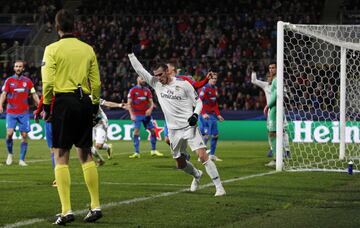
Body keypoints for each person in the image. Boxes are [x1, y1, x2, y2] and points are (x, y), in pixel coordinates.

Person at [128, 53, 226, 196]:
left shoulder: (183, 84)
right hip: (173, 130)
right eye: (156, 75)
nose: (158, 78)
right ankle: (196, 175)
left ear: (167, 71)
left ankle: (219, 187)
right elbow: (140, 69)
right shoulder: (156, 83)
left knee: (203, 155)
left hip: (189, 126)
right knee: (180, 164)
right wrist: (131, 55)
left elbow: (198, 102)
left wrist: (195, 115)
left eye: (160, 74)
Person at [41, 9, 102, 225]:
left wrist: (47, 106)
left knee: (61, 154)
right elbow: (96, 83)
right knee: (85, 154)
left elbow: (48, 83)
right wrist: (94, 106)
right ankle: (95, 206)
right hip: (85, 101)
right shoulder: (88, 49)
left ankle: (66, 211)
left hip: (64, 102)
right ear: (74, 26)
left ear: (57, 27)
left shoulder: (52, 49)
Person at [0, 60, 39, 166]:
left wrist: (39, 106)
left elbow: (34, 94)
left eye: (20, 66)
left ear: (23, 68)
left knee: (24, 135)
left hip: (24, 113)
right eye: (16, 66)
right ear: (14, 68)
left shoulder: (28, 81)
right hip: (11, 112)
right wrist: (0, 104)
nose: (18, 68)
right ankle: (10, 154)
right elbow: (3, 94)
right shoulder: (9, 81)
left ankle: (22, 159)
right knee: (9, 134)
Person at [261, 63, 290, 166]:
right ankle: (281, 156)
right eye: (270, 68)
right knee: (278, 132)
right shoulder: (277, 79)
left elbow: (276, 94)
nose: (271, 70)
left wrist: (268, 105)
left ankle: (277, 159)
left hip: (275, 109)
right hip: (278, 108)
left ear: (277, 69)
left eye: (273, 68)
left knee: (273, 134)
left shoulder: (277, 79)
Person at [127, 76, 163, 158]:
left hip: (147, 115)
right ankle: (136, 152)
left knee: (153, 131)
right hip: (137, 114)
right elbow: (129, 103)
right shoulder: (133, 90)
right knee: (136, 131)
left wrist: (150, 109)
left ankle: (153, 150)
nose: (144, 80)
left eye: (144, 79)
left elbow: (151, 102)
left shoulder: (147, 90)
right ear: (137, 79)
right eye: (142, 79)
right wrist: (131, 114)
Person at [91, 98, 126, 165]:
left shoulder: (92, 97)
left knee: (98, 146)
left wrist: (119, 105)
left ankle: (108, 147)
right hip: (90, 124)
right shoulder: (76, 102)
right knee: (87, 145)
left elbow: (107, 103)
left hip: (101, 123)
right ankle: (100, 160)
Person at [199, 73, 224, 161]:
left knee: (214, 135)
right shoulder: (205, 88)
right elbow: (199, 101)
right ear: (209, 78)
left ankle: (211, 155)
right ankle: (202, 156)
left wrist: (218, 114)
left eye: (216, 78)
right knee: (206, 136)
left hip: (212, 115)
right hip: (205, 115)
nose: (214, 80)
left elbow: (214, 104)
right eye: (213, 78)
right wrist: (203, 113)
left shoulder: (214, 89)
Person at [34, 95, 57, 187]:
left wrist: (37, 113)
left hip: (50, 121)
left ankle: (58, 178)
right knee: (62, 151)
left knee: (54, 150)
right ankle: (61, 177)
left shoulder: (49, 88)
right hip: (63, 120)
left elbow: (43, 100)